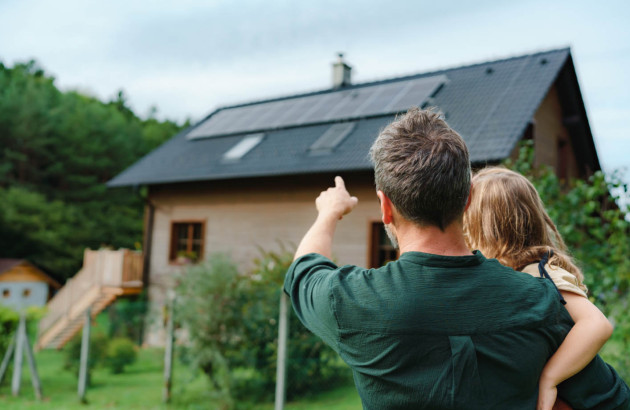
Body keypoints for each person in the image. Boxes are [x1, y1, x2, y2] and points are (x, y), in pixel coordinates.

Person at [284, 108, 629, 409]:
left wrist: (329, 213)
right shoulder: (539, 299)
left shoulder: (350, 301)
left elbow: (304, 268)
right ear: (466, 200)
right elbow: (613, 400)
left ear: (385, 207)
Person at [463, 166, 615, 410]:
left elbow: (597, 325)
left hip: (600, 401)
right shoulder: (512, 274)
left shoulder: (542, 272)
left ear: (484, 227)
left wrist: (549, 378)